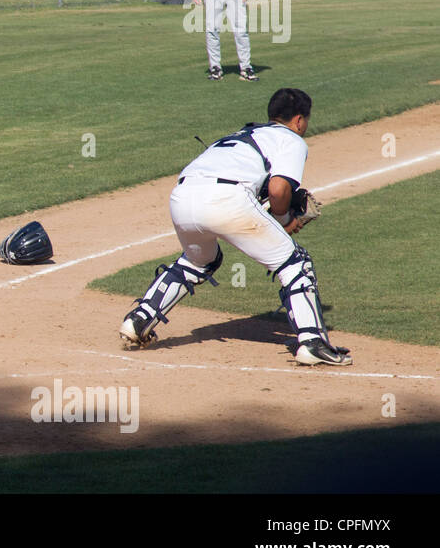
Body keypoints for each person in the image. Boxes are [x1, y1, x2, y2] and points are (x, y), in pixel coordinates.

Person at [118, 88, 351, 367]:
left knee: (199, 261)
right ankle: (313, 343)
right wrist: (286, 219)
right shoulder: (291, 139)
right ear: (299, 120)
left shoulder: (242, 135)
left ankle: (140, 319)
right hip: (225, 199)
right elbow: (278, 190)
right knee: (295, 264)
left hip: (182, 196)